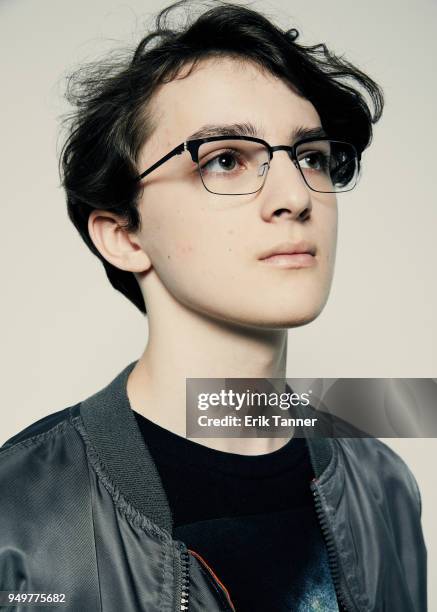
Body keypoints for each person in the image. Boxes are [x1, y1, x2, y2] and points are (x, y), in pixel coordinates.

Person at [0, 1, 427, 610]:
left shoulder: (383, 485)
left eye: (311, 157)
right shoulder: (17, 516)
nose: (294, 197)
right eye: (225, 159)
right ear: (124, 234)